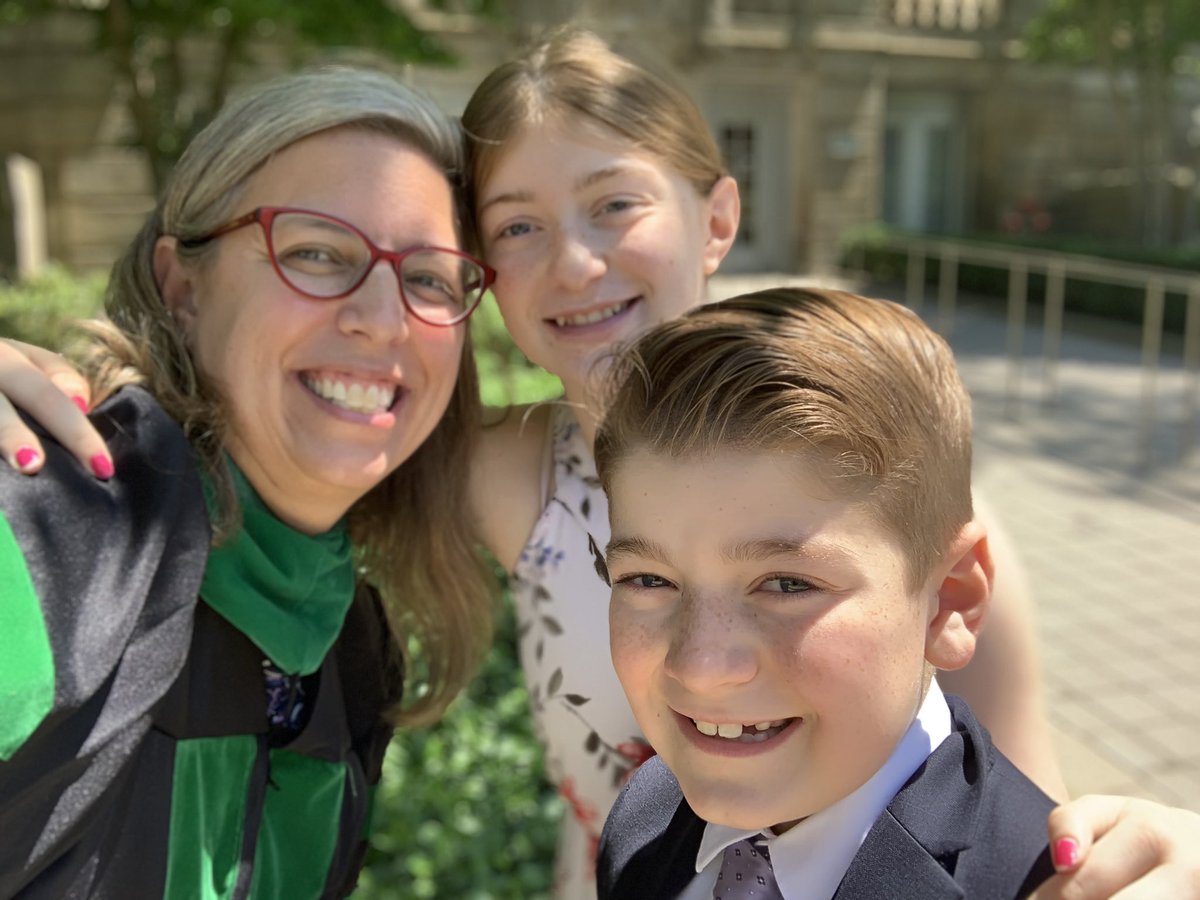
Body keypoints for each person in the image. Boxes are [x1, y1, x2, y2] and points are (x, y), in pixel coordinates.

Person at [3, 27, 1200, 900]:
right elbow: (274, 433)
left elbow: (1028, 828)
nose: (573, 264)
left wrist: (1152, 851)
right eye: (515, 228)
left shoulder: (884, 489)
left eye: (614, 205)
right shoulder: (488, 468)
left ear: (716, 219)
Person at [0, 67, 497, 898]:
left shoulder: (349, 654)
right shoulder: (51, 539)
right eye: (316, 253)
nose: (383, 319)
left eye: (428, 279)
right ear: (183, 288)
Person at [592, 286, 1056, 898]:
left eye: (788, 584)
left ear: (946, 599)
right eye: (649, 579)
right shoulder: (643, 818)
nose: (700, 667)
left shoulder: (1040, 884)